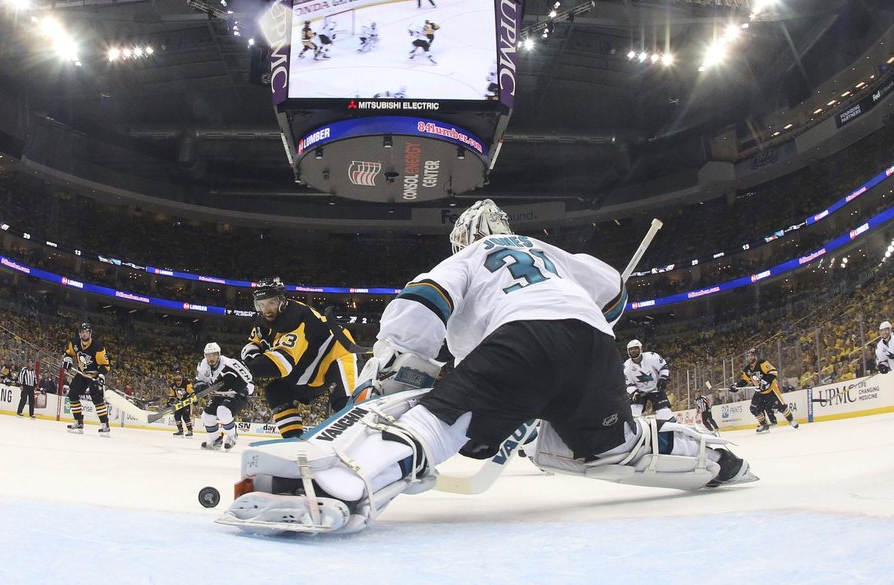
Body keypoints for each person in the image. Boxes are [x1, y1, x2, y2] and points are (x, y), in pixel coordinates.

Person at [221, 200, 756, 535]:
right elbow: (612, 290)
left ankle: (338, 489)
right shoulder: (548, 251)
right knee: (597, 450)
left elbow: (420, 306)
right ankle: (715, 462)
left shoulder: (467, 258)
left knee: (433, 422)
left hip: (524, 341)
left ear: (463, 238)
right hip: (594, 348)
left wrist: (388, 374)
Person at [239, 277, 359, 439]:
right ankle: (293, 440)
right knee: (276, 391)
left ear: (282, 301)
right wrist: (249, 361)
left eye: (271, 303)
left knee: (346, 404)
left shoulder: (296, 317)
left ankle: (361, 445)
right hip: (308, 366)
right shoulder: (262, 321)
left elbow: (283, 362)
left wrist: (247, 369)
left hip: (336, 354)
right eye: (261, 304)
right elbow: (253, 344)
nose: (266, 309)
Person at [195, 342, 255, 450]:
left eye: (214, 355)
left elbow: (250, 381)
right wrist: (200, 387)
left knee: (223, 412)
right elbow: (199, 381)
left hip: (236, 394)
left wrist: (245, 391)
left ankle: (232, 436)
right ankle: (215, 441)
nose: (211, 358)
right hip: (219, 394)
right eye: (208, 355)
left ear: (219, 354)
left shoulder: (230, 364)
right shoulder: (203, 365)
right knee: (206, 416)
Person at [732, 349, 798, 433]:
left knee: (781, 407)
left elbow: (773, 372)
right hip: (759, 392)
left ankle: (791, 420)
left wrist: (765, 381)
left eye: (751, 355)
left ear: (755, 356)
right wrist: (736, 386)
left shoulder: (762, 363)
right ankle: (764, 425)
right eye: (748, 356)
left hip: (771, 389)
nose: (750, 357)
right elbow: (745, 381)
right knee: (753, 408)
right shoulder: (747, 369)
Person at [63, 322, 111, 437]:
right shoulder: (74, 343)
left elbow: (105, 365)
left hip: (94, 375)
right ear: (80, 334)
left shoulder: (98, 347)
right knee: (73, 394)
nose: (85, 334)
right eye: (83, 332)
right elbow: (68, 353)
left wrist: (101, 376)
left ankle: (105, 425)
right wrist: (68, 361)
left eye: (87, 332)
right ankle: (78, 422)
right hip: (82, 374)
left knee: (97, 399)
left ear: (90, 333)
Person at [623, 339, 672, 421]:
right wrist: (634, 392)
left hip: (656, 389)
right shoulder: (626, 366)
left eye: (635, 348)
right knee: (633, 414)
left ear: (640, 349)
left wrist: (663, 379)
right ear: (628, 351)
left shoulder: (652, 357)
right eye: (631, 349)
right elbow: (627, 383)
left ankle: (671, 430)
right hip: (639, 392)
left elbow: (663, 367)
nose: (633, 351)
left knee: (665, 414)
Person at [168, 372, 195, 437]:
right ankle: (180, 431)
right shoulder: (172, 386)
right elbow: (172, 395)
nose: (178, 378)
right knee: (177, 416)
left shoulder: (187, 383)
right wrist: (171, 401)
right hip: (178, 403)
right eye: (176, 376)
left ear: (182, 377)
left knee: (186, 416)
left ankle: (190, 431)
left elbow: (192, 392)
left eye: (179, 376)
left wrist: (194, 399)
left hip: (186, 402)